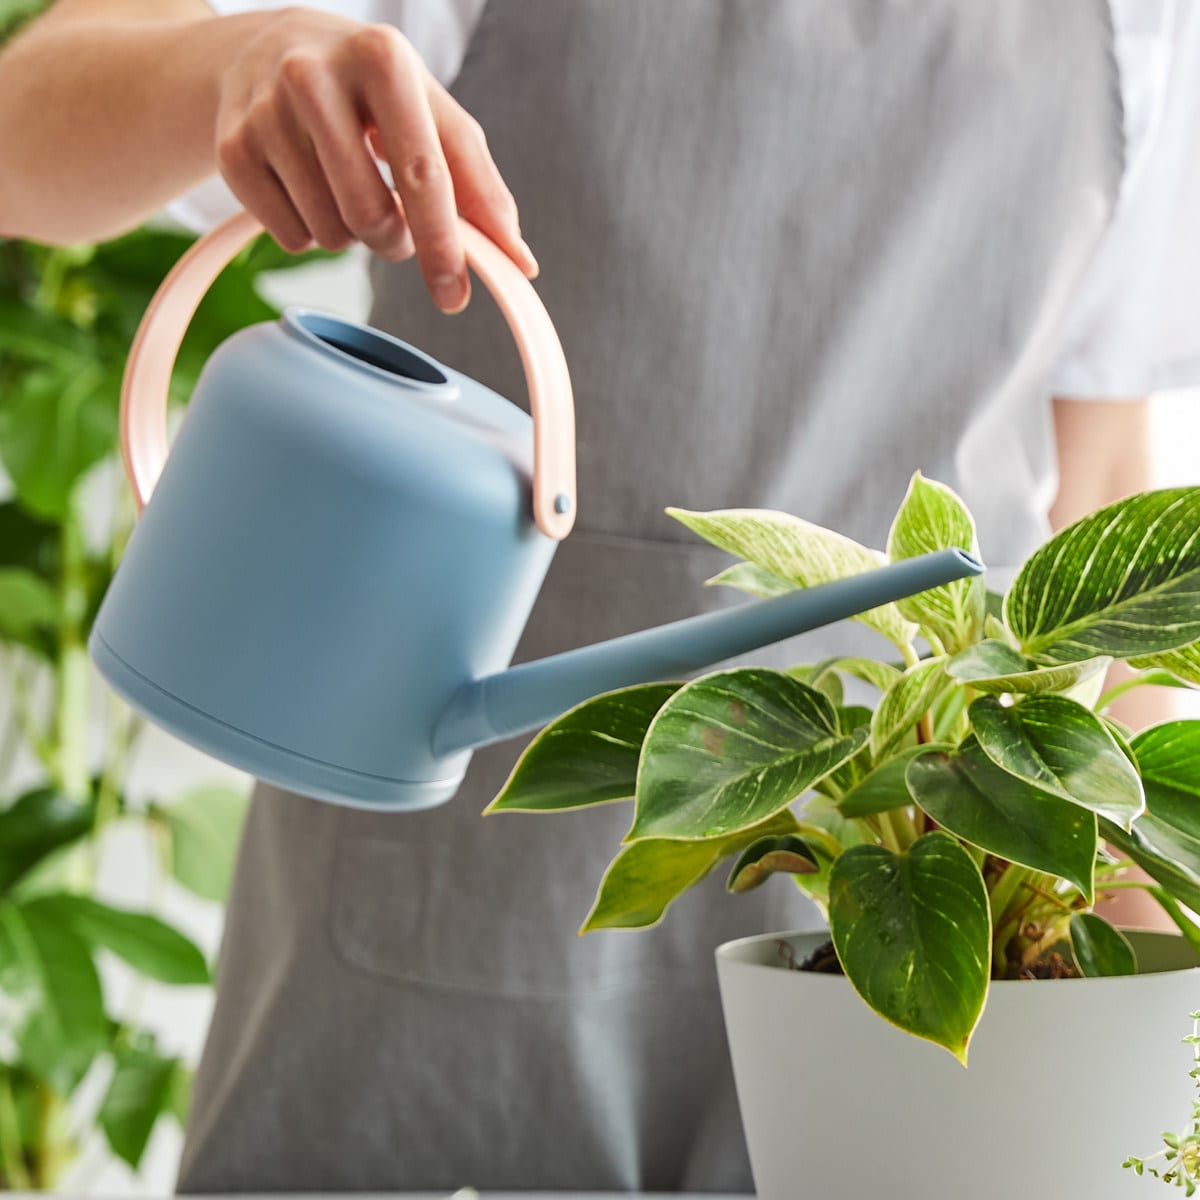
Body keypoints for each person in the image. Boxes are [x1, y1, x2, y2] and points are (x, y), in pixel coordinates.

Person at [2, 0, 1199, 1192]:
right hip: (454, 893)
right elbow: (22, 135)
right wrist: (233, 59)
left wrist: (1147, 1039)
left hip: (914, 919)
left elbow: (1097, 503)